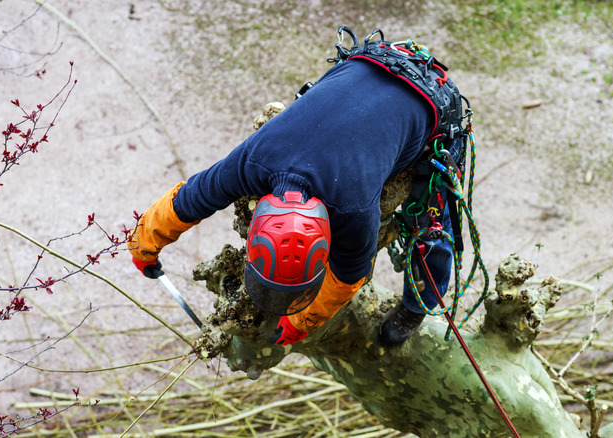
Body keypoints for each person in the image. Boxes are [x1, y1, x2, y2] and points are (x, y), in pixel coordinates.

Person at [128, 29, 467, 347]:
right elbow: (189, 201)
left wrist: (301, 322)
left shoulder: (353, 210)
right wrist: (143, 241)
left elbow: (347, 280)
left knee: (432, 230)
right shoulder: (254, 160)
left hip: (431, 100)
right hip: (371, 63)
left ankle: (417, 305)